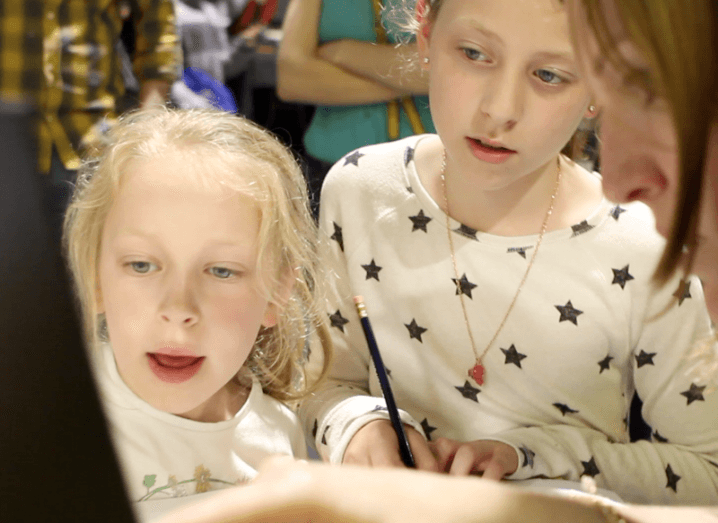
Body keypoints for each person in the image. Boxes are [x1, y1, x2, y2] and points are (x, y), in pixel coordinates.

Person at [148, 0, 718, 520]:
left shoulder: (652, 238)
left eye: (548, 75)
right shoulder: (359, 188)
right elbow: (321, 383)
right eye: (473, 54)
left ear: (599, 84)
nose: (500, 108)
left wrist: (534, 458)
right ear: (424, 36)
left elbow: (705, 473)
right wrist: (356, 426)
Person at [62, 107, 332, 505]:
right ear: (95, 276)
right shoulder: (50, 424)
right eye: (142, 265)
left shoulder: (280, 436)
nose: (178, 308)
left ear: (277, 291)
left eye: (221, 271)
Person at [0, 0, 182, 244]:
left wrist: (148, 129)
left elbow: (157, 28)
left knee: (94, 271)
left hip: (91, 144)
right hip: (8, 144)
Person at [276, 0, 436, 214]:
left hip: (432, 168)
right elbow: (292, 80)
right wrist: (411, 79)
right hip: (330, 168)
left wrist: (341, 52)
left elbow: (447, 69)